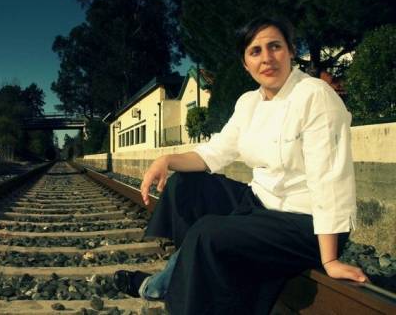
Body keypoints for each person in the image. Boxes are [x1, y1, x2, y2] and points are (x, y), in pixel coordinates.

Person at [113, 18, 368, 314]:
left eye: (275, 46)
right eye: (255, 51)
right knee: (185, 185)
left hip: (306, 223)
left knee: (206, 232)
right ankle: (194, 278)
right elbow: (215, 152)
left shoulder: (314, 96)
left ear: (290, 51)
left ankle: (173, 289)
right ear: (246, 64)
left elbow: (329, 181)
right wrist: (166, 160)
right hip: (259, 205)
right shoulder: (249, 103)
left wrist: (330, 260)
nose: (267, 58)